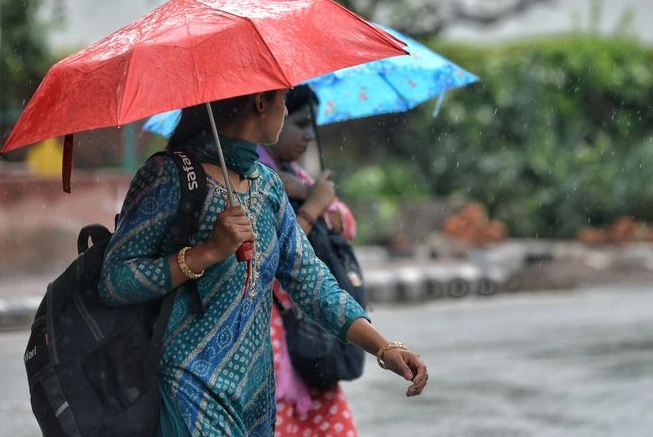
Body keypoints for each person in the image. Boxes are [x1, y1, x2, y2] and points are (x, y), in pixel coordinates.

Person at [99, 89, 428, 437]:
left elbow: (310, 280)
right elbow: (114, 279)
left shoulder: (268, 185)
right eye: (283, 100)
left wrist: (385, 347)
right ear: (260, 103)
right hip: (188, 391)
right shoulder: (167, 176)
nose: (284, 111)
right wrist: (207, 253)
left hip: (253, 401)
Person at [257, 85, 362, 437]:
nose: (307, 135)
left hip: (307, 326)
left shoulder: (295, 176)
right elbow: (275, 258)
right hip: (268, 337)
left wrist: (312, 196)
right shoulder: (253, 181)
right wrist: (314, 206)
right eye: (296, 121)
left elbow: (346, 223)